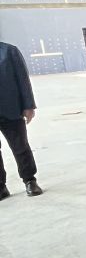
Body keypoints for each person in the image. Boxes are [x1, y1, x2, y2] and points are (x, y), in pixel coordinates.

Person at [0, 41, 43, 200]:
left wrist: (28, 105)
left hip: (10, 109)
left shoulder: (9, 51)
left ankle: (30, 180)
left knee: (20, 146)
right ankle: (1, 187)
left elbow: (22, 79)